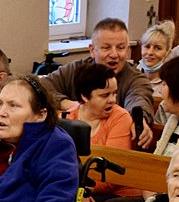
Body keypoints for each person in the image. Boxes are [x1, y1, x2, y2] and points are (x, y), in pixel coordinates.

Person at [40, 18, 156, 148]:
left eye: (120, 48)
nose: (114, 54)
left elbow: (139, 99)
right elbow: (41, 87)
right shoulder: (76, 70)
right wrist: (67, 103)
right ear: (92, 50)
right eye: (106, 48)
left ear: (128, 50)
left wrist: (139, 119)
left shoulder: (135, 79)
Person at [66, 63, 139, 202]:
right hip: (80, 189)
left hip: (118, 194)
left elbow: (112, 176)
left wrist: (81, 192)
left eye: (114, 93)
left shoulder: (120, 118)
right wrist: (76, 193)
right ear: (84, 97)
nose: (112, 100)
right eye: (105, 95)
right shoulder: (68, 117)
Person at [138, 20, 174, 99]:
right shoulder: (130, 77)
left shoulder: (172, 83)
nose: (150, 52)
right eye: (147, 47)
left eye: (158, 48)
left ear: (168, 53)